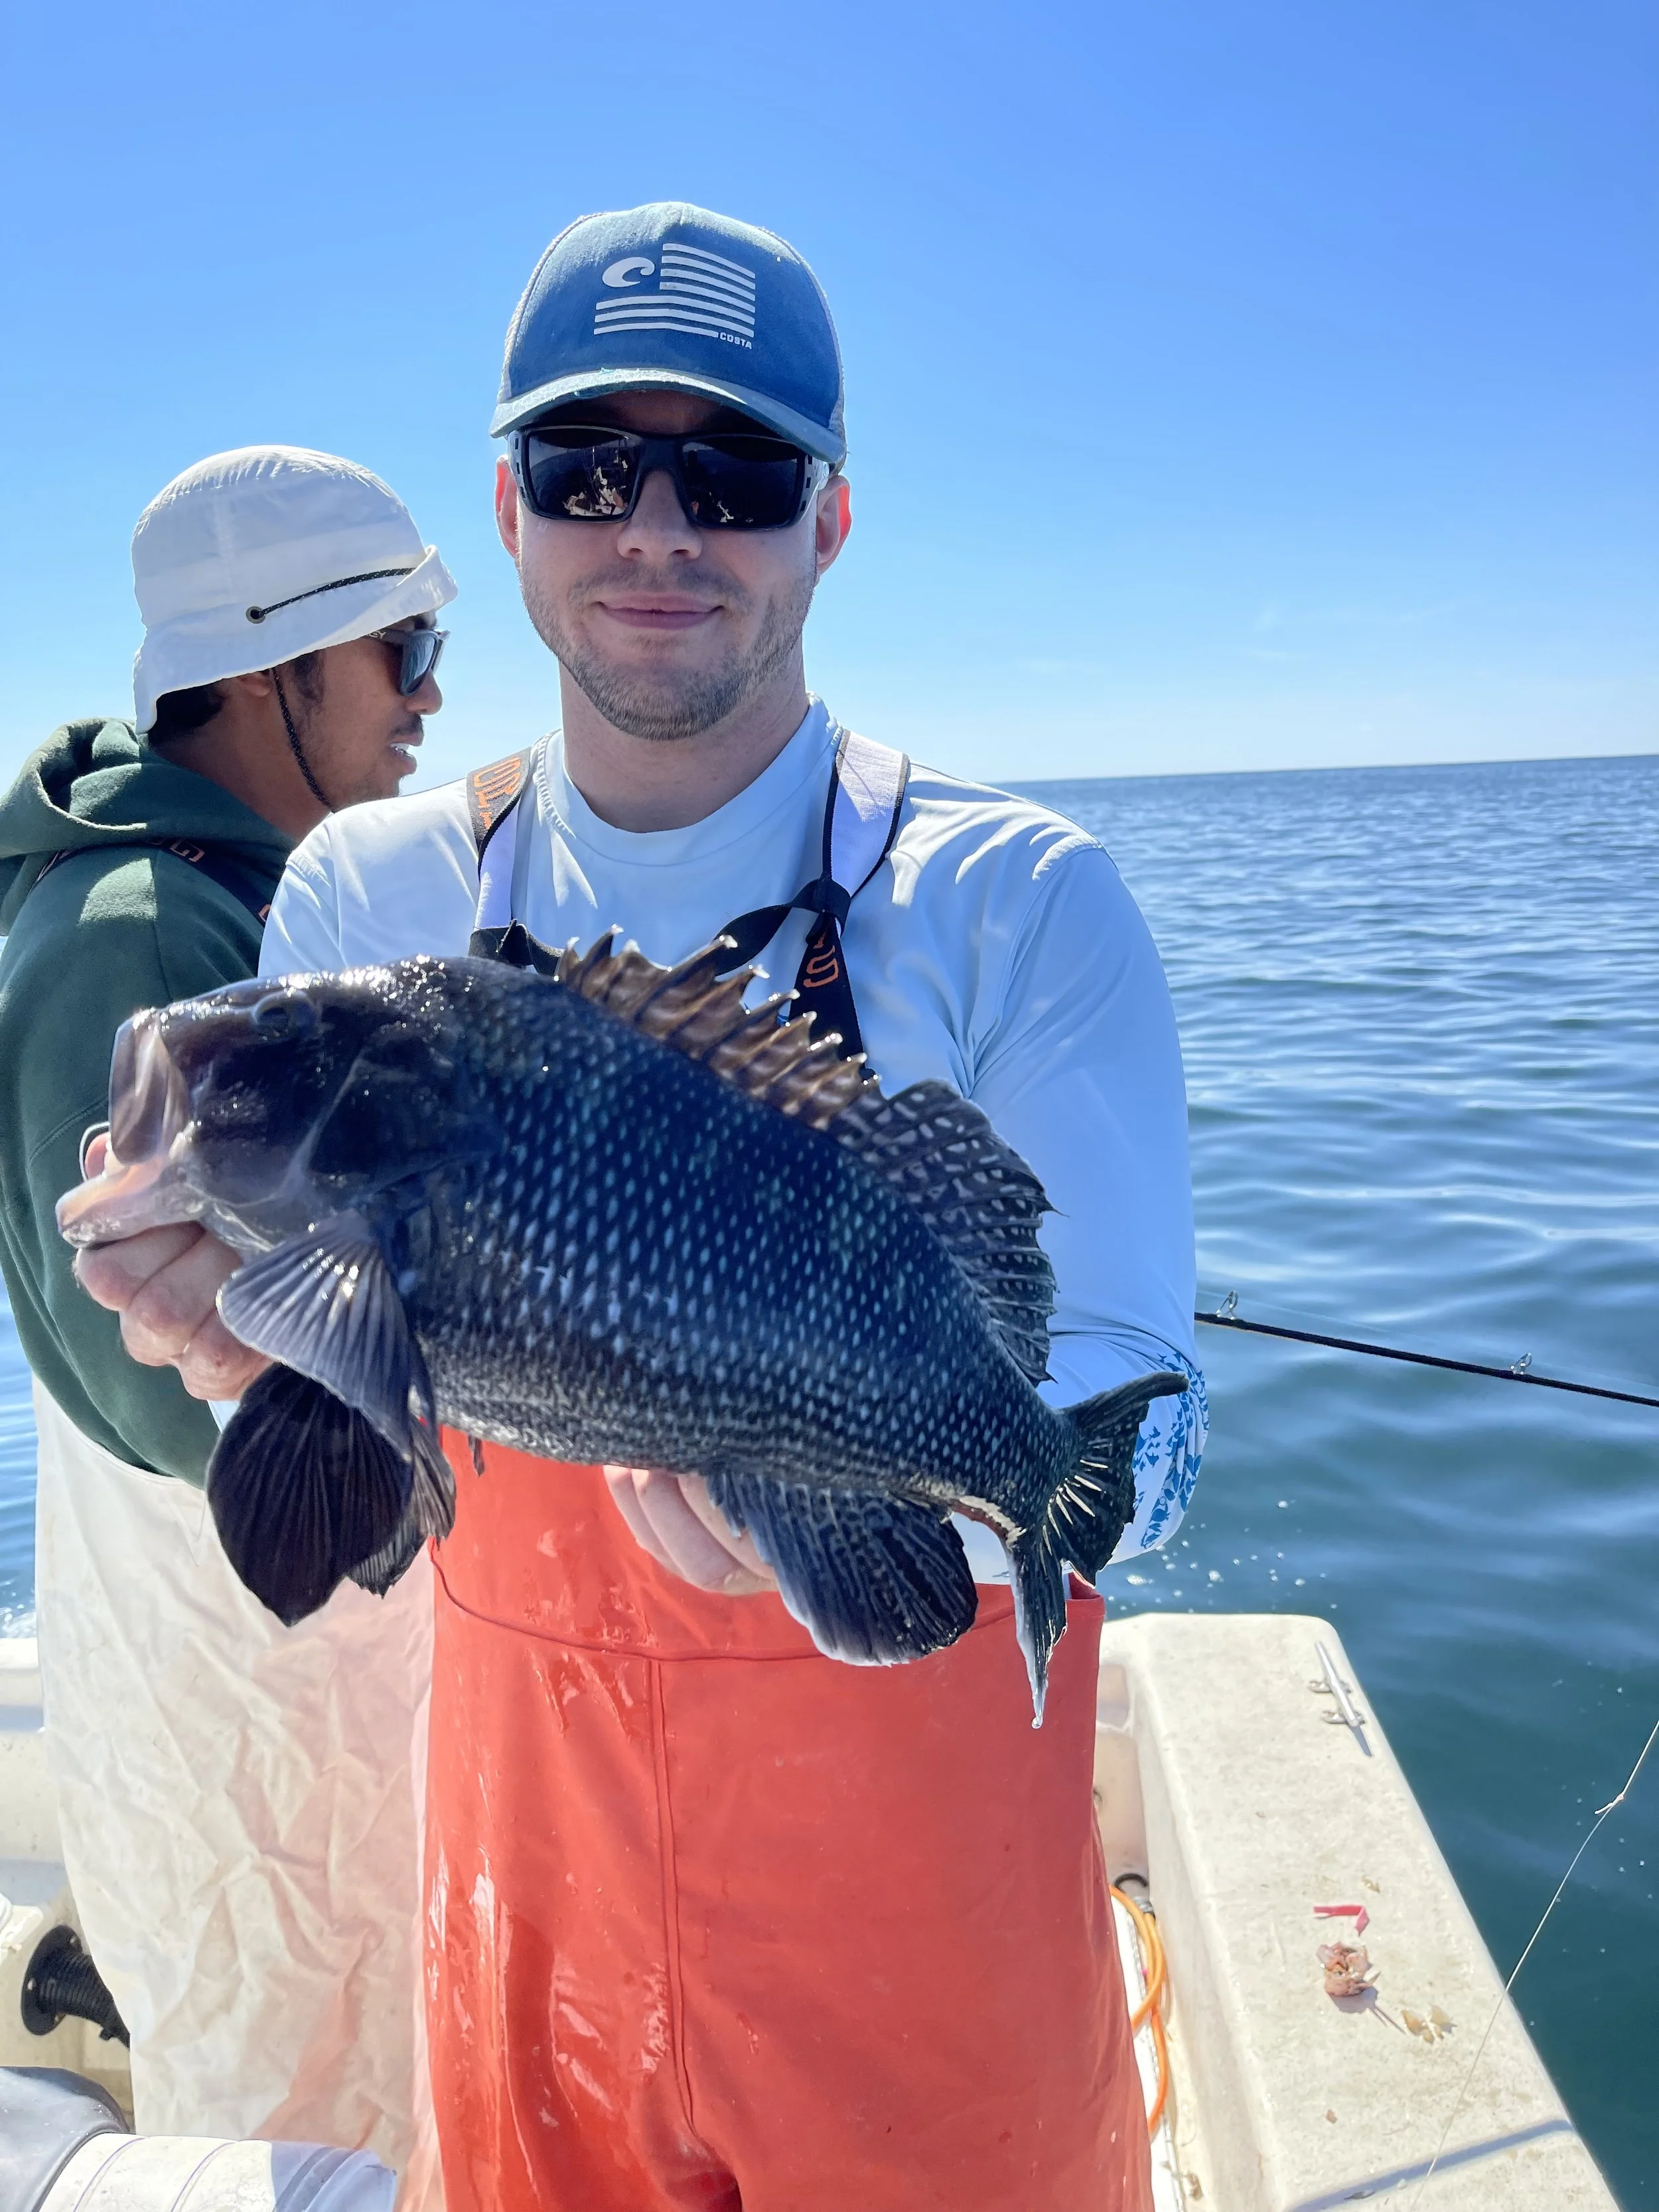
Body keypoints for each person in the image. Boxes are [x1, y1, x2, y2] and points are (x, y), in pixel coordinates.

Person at [84, 206, 1208, 2209]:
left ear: (830, 520)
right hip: (533, 1886)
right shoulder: (365, 900)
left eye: (736, 474)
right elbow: (346, 1465)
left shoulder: (1024, 897)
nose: (657, 529)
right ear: (509, 515)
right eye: (593, 468)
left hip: (920, 1918)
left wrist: (881, 1536)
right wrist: (235, 1358)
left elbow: (1142, 1422)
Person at [0, 445, 454, 2170]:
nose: (427, 700)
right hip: (233, 1656)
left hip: (306, 1601)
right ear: (280, 672)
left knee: (385, 2064)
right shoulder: (135, 934)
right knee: (279, 2101)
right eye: (399, 654)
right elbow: (138, 1366)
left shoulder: (245, 885)